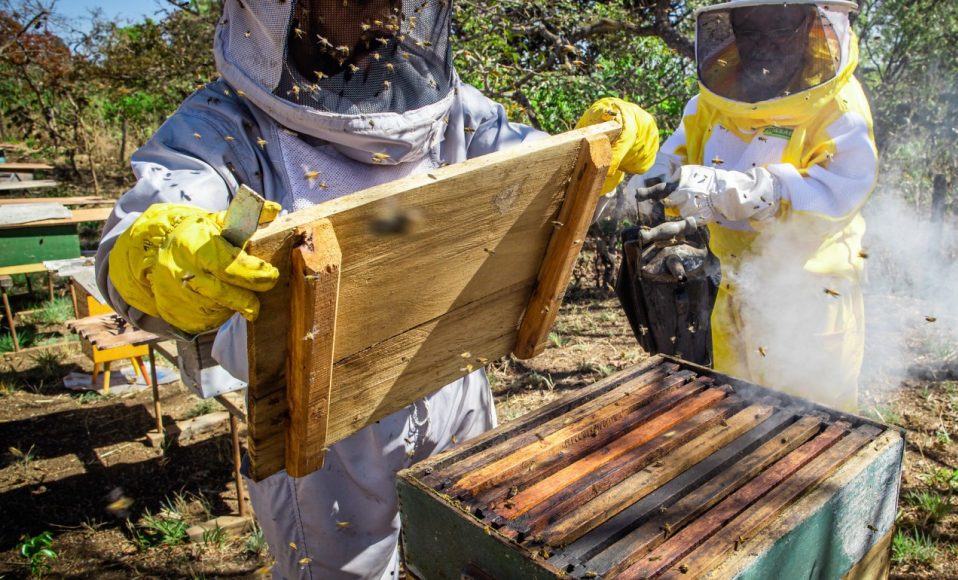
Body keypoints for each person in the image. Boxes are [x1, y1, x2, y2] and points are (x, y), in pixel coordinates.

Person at [95, 1, 656, 577]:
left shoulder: (452, 107)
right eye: (347, 0)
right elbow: (140, 231)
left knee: (475, 557)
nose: (373, 13)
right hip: (322, 437)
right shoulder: (221, 125)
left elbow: (536, 169)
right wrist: (156, 258)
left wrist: (600, 153)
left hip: (456, 380)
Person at [632, 0, 877, 411]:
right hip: (731, 292)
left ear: (809, 27)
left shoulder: (839, 109)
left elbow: (839, 192)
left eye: (780, 29)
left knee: (812, 438)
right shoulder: (712, 101)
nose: (764, 45)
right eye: (750, 31)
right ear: (731, 32)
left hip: (809, 299)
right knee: (740, 423)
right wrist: (648, 182)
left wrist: (735, 191)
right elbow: (673, 159)